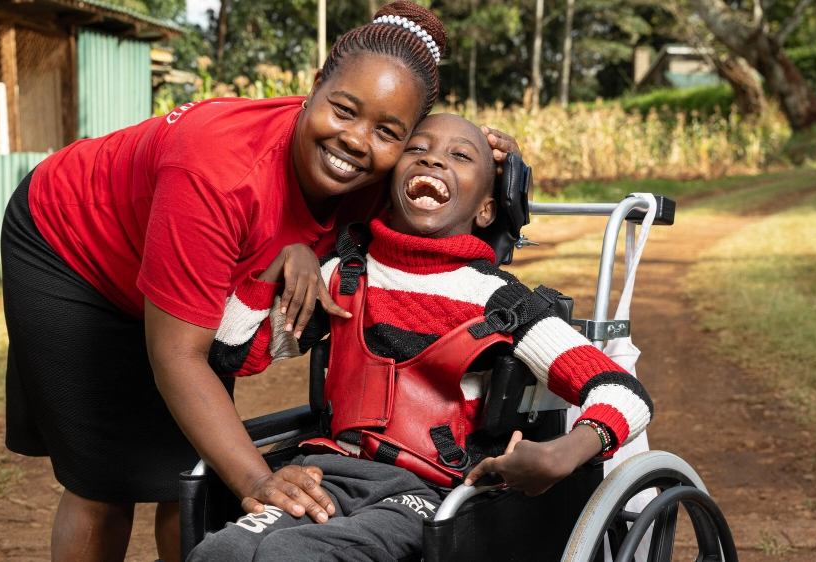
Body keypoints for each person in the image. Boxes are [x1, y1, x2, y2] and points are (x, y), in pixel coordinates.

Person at [0, 3, 522, 560]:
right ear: (316, 84)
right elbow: (178, 355)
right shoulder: (216, 169)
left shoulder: (379, 172)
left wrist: (500, 169)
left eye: (388, 132)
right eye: (343, 109)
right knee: (104, 481)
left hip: (192, 285)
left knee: (186, 479)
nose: (356, 140)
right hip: (76, 250)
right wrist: (255, 480)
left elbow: (452, 244)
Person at [188, 113, 654, 562]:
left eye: (460, 155)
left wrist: (565, 452)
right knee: (220, 551)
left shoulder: (499, 301)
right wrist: (283, 261)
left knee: (292, 554)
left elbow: (622, 392)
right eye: (418, 148)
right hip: (329, 474)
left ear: (486, 207)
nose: (433, 159)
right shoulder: (343, 276)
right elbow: (232, 353)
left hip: (428, 494)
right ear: (390, 183)